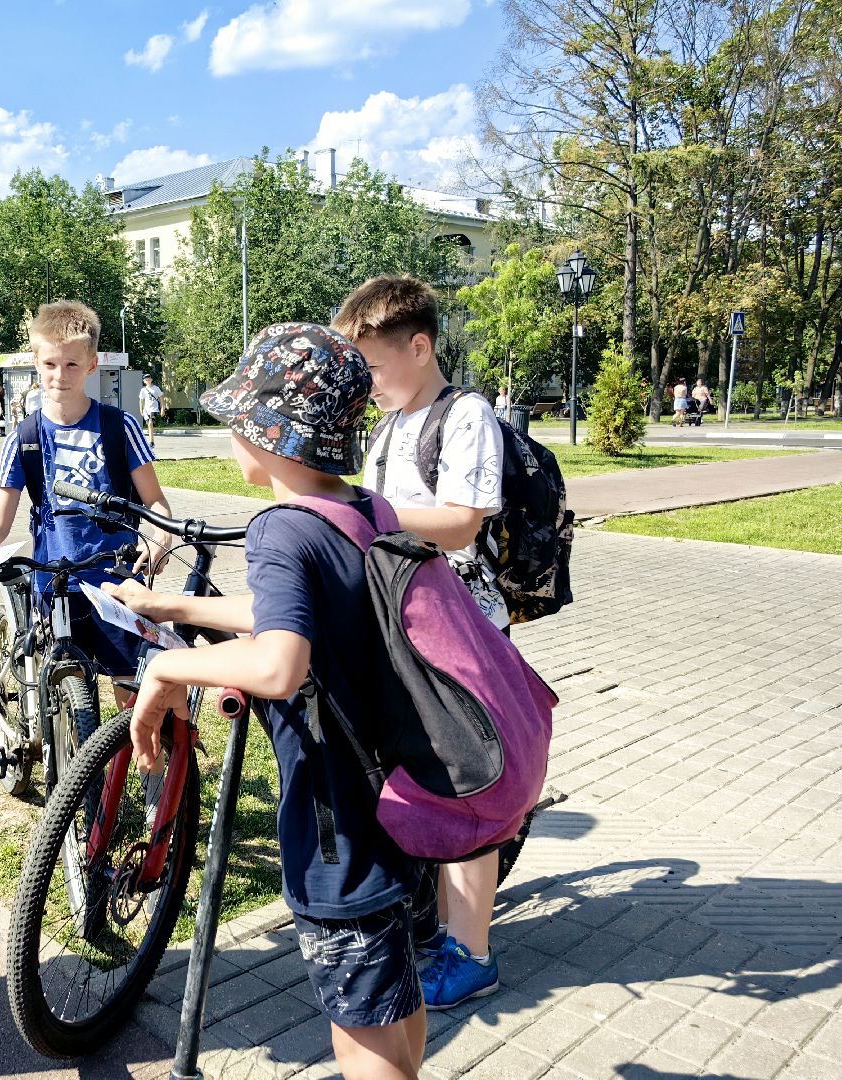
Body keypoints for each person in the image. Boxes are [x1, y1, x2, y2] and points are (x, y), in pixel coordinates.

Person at [113, 323, 426, 1080]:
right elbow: (301, 615)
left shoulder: (281, 528)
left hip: (336, 822)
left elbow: (282, 664)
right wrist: (179, 611)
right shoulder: (363, 510)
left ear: (276, 435)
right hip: (397, 796)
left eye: (238, 420)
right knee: (390, 996)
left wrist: (166, 675)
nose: (230, 436)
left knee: (361, 1032)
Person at [334, 276, 506, 1011]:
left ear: (421, 346)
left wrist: (367, 509)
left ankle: (472, 955)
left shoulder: (465, 416)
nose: (364, 383)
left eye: (371, 366)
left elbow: (464, 520)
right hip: (404, 628)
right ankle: (428, 913)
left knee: (462, 790)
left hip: (459, 630)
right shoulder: (389, 425)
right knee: (410, 776)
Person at [0, 301, 173, 708]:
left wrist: (160, 542)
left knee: (131, 692)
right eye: (49, 364)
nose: (59, 375)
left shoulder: (121, 428)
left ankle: (128, 763)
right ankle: (67, 764)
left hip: (118, 582)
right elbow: (0, 519)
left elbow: (157, 504)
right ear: (35, 361)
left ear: (91, 364)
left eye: (70, 365)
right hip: (55, 584)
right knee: (66, 695)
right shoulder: (24, 437)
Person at [139, 373, 165, 447]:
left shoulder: (156, 388)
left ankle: (151, 442)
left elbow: (161, 398)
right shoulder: (143, 390)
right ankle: (151, 441)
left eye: (149, 379)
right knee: (149, 425)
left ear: (151, 380)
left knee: (150, 423)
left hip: (154, 409)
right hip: (146, 410)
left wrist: (163, 408)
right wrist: (141, 409)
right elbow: (141, 400)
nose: (148, 381)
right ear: (144, 381)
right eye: (146, 380)